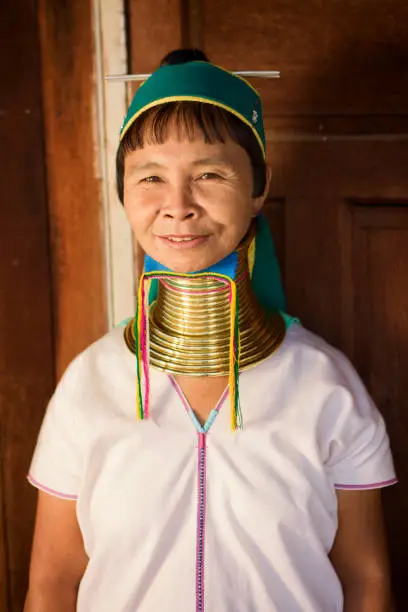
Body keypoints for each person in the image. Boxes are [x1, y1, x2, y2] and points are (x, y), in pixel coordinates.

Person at [24, 49, 397, 612]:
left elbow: (367, 581)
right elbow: (52, 583)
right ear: (123, 192)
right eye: (150, 176)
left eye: (209, 174)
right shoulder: (88, 385)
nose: (178, 206)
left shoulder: (326, 388)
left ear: (258, 187)